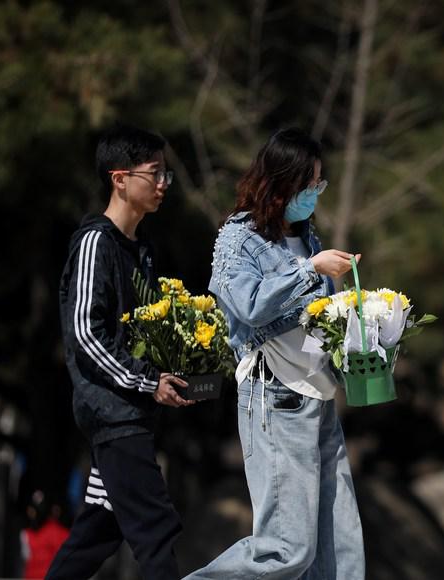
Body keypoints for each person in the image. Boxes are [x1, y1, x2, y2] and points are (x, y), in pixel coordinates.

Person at [185, 127, 365, 579]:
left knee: (340, 549)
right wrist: (309, 270)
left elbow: (316, 319)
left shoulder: (308, 237)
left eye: (321, 185)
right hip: (275, 399)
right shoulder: (238, 239)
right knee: (286, 549)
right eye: (311, 185)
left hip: (320, 398)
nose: (316, 195)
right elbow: (247, 304)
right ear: (282, 183)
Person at [47, 123, 194, 580]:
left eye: (166, 174)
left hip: (131, 413)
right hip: (114, 415)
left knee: (99, 531)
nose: (163, 184)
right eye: (155, 173)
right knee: (155, 531)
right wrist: (149, 381)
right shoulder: (96, 243)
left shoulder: (140, 251)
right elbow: (85, 335)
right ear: (119, 178)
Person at [21, 491, 69, 579]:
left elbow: (66, 560)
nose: (32, 514)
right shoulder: (26, 533)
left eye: (36, 510)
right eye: (31, 510)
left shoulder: (58, 532)